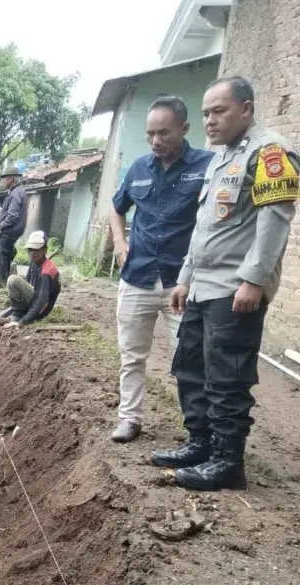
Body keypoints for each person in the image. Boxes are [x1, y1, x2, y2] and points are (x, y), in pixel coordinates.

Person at [152, 76, 300, 491]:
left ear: (246, 109)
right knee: (190, 368)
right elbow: (205, 229)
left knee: (226, 376)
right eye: (205, 113)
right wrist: (185, 279)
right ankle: (200, 442)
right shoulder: (221, 158)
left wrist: (254, 281)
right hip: (203, 286)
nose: (209, 121)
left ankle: (227, 461)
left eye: (219, 111)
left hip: (235, 289)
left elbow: (274, 223)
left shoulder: (270, 152)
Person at [108, 97, 215, 443]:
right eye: (150, 133)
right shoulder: (138, 169)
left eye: (163, 132)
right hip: (137, 277)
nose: (156, 140)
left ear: (184, 129)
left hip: (181, 283)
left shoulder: (208, 167)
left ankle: (197, 429)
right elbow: (116, 208)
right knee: (131, 356)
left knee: (190, 357)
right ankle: (129, 419)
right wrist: (121, 243)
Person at [2, 231, 60, 328]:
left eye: (37, 249)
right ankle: (17, 313)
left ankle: (19, 316)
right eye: (30, 249)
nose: (32, 253)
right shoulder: (34, 262)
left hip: (40, 310)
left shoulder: (47, 272)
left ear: (45, 250)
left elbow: (42, 302)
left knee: (13, 280)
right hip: (33, 301)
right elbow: (28, 284)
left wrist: (22, 322)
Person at [0, 168, 28, 286]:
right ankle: (5, 280)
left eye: (4, 179)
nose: (2, 182)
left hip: (11, 229)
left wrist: (1, 227)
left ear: (11, 179)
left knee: (1, 252)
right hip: (15, 228)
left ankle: (0, 281)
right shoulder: (16, 191)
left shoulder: (16, 193)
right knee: (6, 253)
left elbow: (12, 216)